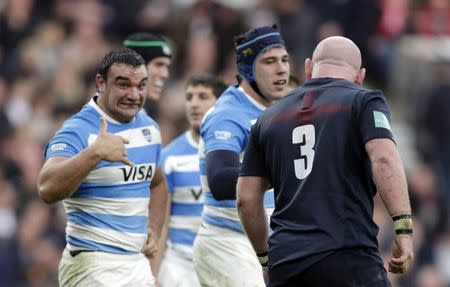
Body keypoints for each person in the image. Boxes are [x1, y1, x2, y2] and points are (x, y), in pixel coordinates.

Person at [236, 36, 414, 287]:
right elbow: (384, 157)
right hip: (347, 256)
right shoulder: (364, 101)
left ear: (308, 67)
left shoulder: (268, 118)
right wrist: (403, 229)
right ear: (360, 76)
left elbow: (246, 199)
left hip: (286, 263)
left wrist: (266, 260)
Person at [37, 48, 168, 287]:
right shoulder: (77, 129)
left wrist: (154, 227)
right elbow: (46, 188)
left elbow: (158, 183)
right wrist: (94, 153)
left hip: (135, 262)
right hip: (92, 264)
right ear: (101, 83)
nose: (134, 94)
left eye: (141, 86)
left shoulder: (149, 128)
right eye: (123, 84)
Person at [192, 25, 290, 287]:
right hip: (227, 245)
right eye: (269, 61)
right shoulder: (229, 114)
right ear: (247, 69)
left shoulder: (281, 111)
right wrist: (282, 169)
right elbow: (221, 180)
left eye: (284, 59)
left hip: (264, 245)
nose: (281, 68)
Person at [156, 74, 227, 287]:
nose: (194, 104)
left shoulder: (235, 153)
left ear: (220, 103)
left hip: (221, 263)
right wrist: (155, 274)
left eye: (203, 96)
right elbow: (161, 224)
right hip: (179, 268)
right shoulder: (169, 158)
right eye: (189, 97)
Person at [124, 32, 173, 117]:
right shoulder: (101, 114)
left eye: (167, 67)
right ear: (134, 65)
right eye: (159, 64)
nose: (165, 75)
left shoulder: (145, 119)